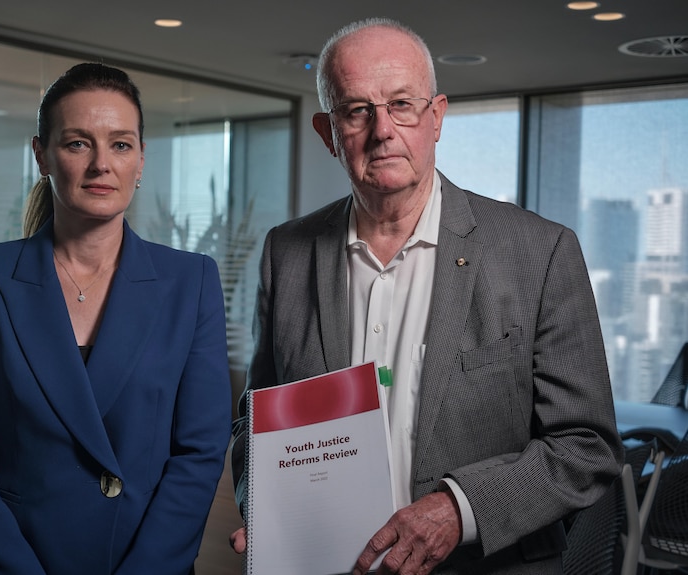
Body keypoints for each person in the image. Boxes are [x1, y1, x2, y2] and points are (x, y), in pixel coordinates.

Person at [229, 18, 623, 575]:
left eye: (402, 105)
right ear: (328, 132)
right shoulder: (286, 253)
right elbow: (256, 420)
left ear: (436, 117)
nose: (382, 130)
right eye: (357, 110)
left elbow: (587, 446)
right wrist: (268, 509)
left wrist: (457, 510)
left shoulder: (541, 251)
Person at [0, 62, 231, 574]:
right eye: (77, 143)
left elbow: (199, 453)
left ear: (141, 160)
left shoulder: (191, 281)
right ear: (41, 154)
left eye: (120, 144)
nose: (101, 165)